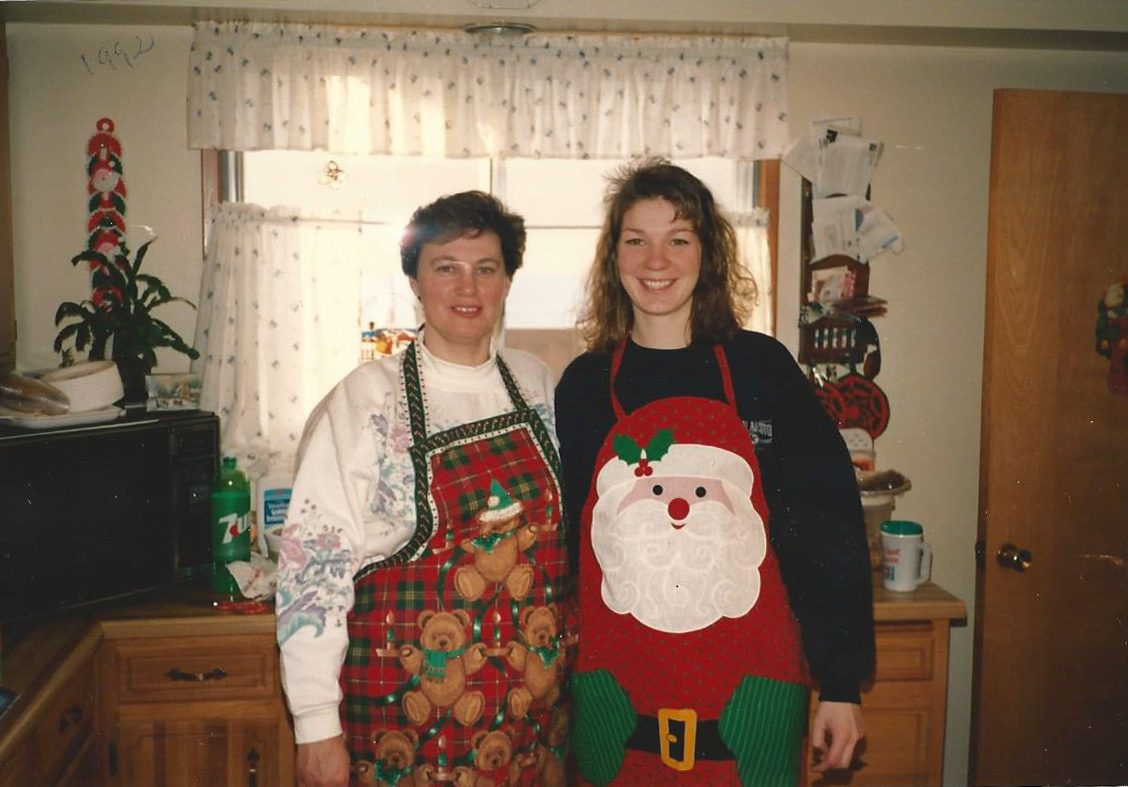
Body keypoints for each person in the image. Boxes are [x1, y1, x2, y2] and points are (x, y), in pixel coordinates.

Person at [555, 159, 875, 786]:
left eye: (678, 239)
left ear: (708, 255)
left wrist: (839, 684)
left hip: (751, 696)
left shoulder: (763, 370)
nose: (657, 261)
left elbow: (825, 526)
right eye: (636, 240)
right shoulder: (585, 387)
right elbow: (565, 548)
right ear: (613, 257)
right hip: (616, 694)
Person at [276, 191, 571, 787]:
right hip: (399, 713)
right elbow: (314, 572)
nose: (468, 288)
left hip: (526, 717)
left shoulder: (537, 382)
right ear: (415, 279)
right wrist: (314, 727)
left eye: (485, 269)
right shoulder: (366, 399)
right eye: (446, 268)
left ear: (508, 281)